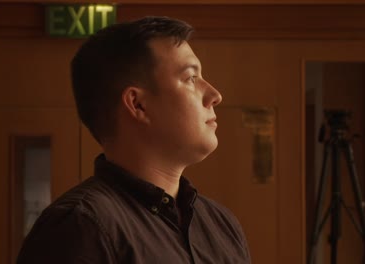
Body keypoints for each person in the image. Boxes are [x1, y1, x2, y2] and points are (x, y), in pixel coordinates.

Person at [17, 16, 251, 263]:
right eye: (191, 78)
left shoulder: (221, 224)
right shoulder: (80, 226)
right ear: (137, 104)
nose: (215, 95)